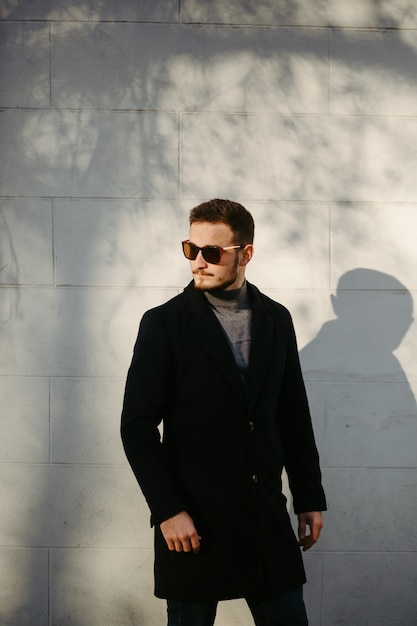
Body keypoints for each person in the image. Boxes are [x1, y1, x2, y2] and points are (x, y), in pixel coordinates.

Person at [121, 199, 326, 626]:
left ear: (245, 254)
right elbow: (137, 427)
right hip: (192, 522)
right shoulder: (165, 323)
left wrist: (308, 496)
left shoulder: (276, 319)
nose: (198, 261)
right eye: (190, 249)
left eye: (212, 252)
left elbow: (293, 415)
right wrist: (168, 511)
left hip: (263, 515)